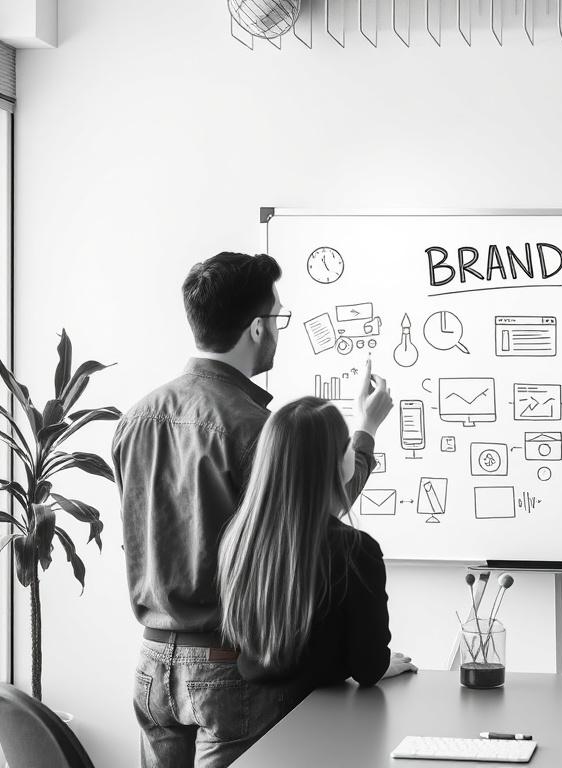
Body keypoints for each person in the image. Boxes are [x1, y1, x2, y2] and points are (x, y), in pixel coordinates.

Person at [112, 252, 395, 768]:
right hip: (225, 664)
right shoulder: (254, 428)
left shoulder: (137, 418)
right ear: (258, 328)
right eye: (279, 319)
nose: (279, 331)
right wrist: (365, 432)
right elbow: (315, 519)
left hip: (151, 661)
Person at [218, 397, 417, 699]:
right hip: (317, 714)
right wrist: (381, 666)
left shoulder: (240, 539)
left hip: (249, 707)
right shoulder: (355, 550)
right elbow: (368, 666)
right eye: (349, 447)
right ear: (336, 463)